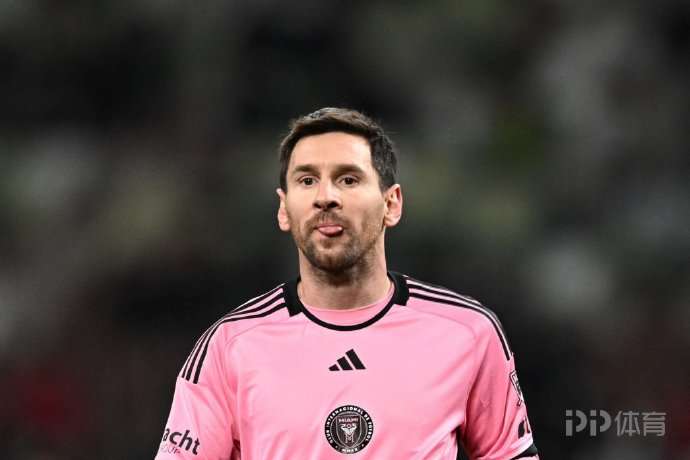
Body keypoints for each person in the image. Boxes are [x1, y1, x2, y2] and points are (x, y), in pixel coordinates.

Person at [155, 108, 539, 459]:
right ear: (283, 209)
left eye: (348, 179)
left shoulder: (467, 332)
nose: (326, 197)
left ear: (392, 204)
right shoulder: (230, 346)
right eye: (307, 180)